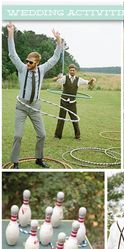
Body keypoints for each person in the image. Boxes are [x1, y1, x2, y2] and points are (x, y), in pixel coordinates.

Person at [7, 22, 62, 169]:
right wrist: (11, 33)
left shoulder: (42, 69)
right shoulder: (22, 68)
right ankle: (15, 162)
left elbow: (55, 58)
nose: (27, 63)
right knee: (18, 135)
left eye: (30, 62)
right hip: (21, 106)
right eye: (26, 61)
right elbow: (12, 54)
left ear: (37, 62)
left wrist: (58, 41)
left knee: (42, 134)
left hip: (35, 106)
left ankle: (39, 159)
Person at [53, 64, 96, 139]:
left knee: (74, 118)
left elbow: (88, 83)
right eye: (71, 70)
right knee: (61, 118)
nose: (72, 71)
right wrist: (57, 77)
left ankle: (77, 136)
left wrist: (92, 80)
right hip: (63, 101)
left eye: (73, 70)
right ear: (69, 71)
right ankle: (57, 135)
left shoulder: (79, 80)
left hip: (72, 102)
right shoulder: (64, 78)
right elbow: (54, 80)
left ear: (75, 71)